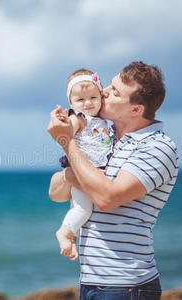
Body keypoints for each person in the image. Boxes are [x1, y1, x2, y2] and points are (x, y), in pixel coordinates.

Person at [47, 61, 178, 299]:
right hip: (90, 281)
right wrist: (74, 172)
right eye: (110, 84)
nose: (104, 91)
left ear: (136, 109)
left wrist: (68, 143)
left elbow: (107, 198)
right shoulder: (105, 138)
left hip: (126, 285)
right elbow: (55, 193)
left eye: (115, 92)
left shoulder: (158, 147)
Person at [55, 69, 113, 261]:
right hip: (82, 172)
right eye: (81, 100)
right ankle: (64, 233)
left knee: (80, 209)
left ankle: (71, 237)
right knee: (82, 209)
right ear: (71, 103)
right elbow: (70, 127)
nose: (87, 103)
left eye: (93, 97)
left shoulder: (103, 121)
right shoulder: (79, 118)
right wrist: (66, 124)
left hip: (96, 172)